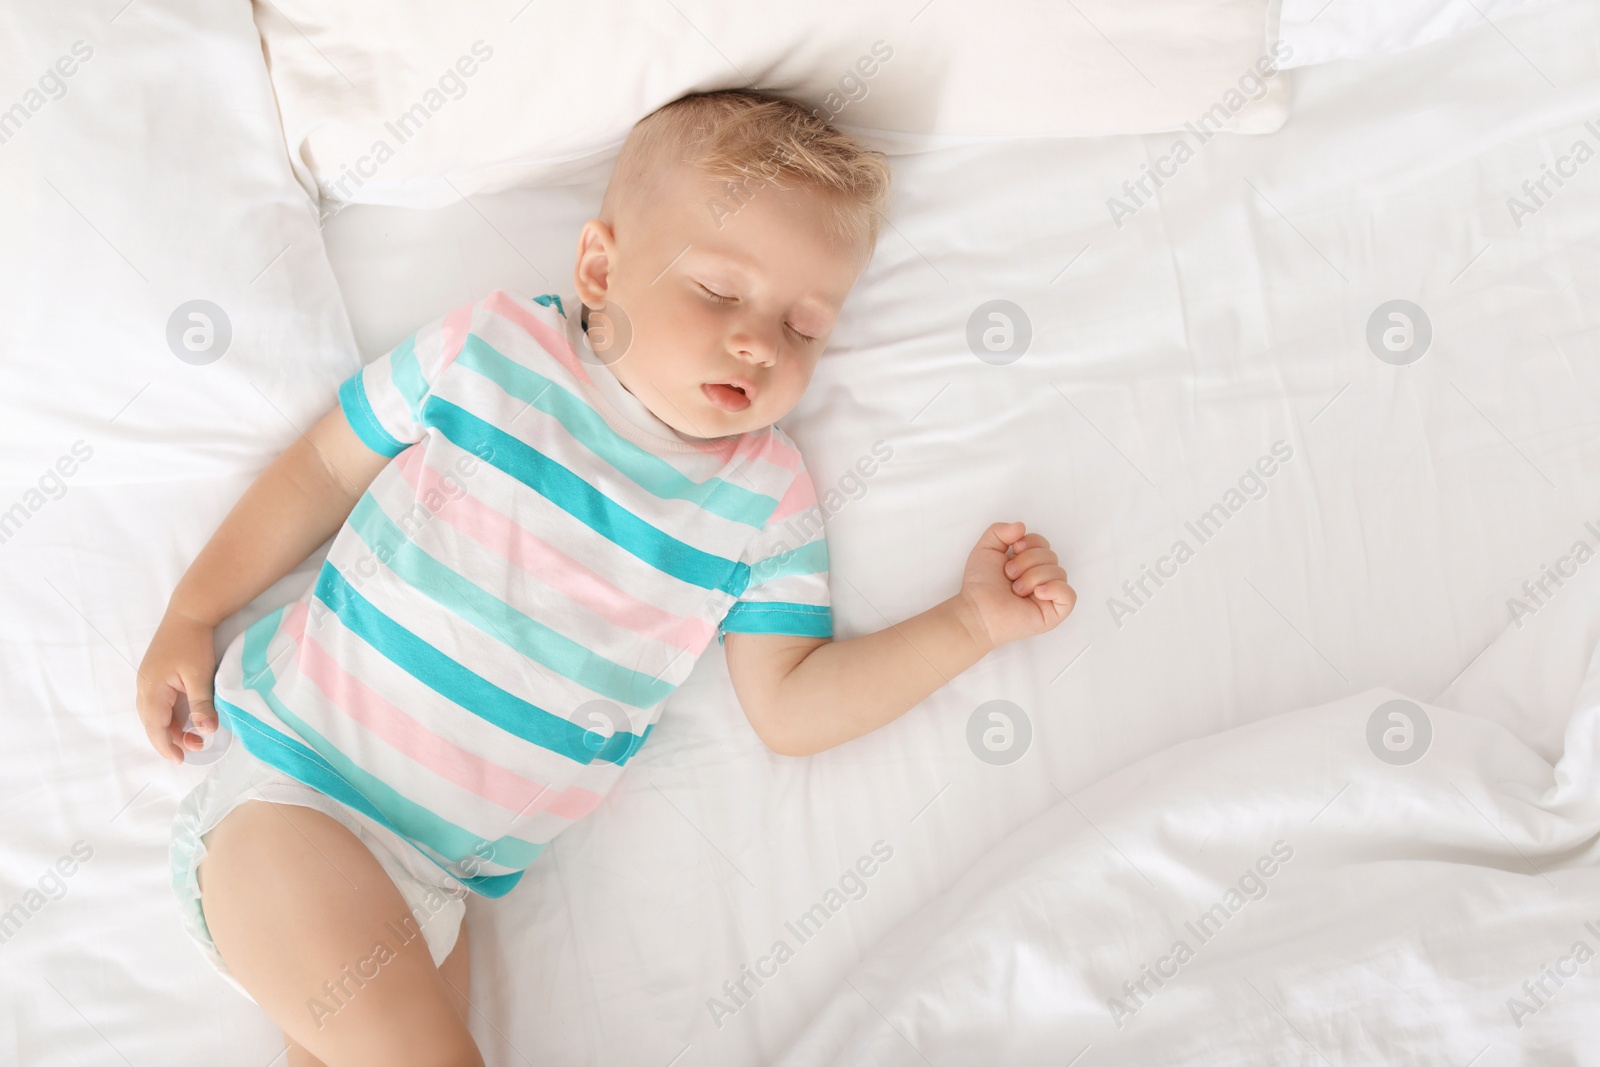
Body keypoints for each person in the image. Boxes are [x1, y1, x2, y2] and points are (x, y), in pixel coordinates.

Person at [136, 88, 1076, 1066]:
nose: (759, 341)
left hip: (437, 890)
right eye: (719, 293)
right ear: (600, 265)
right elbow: (323, 470)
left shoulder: (763, 497)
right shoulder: (491, 355)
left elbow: (793, 705)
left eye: (804, 327)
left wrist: (968, 623)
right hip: (297, 796)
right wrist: (194, 607)